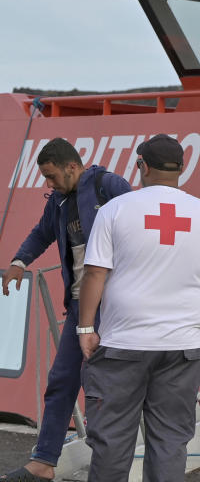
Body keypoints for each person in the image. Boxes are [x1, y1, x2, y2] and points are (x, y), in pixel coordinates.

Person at [75, 134, 200, 482]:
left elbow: (95, 273)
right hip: (182, 349)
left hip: (123, 347)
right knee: (170, 442)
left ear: (142, 165)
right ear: (182, 168)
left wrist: (86, 328)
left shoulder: (115, 210)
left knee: (112, 442)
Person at [1, 138, 130, 482]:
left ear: (72, 167)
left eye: (52, 176)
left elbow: (141, 227)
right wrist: (18, 261)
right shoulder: (57, 201)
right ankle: (44, 461)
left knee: (102, 386)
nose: (49, 184)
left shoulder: (108, 186)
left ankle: (109, 465)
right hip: (79, 307)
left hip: (115, 306)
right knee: (62, 381)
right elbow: (41, 234)